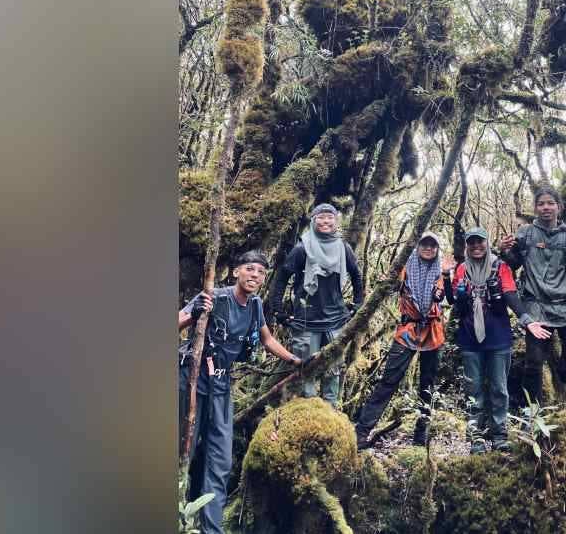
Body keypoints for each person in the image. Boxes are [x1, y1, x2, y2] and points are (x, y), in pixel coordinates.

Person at [178, 250, 300, 534]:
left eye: (260, 272)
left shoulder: (255, 305)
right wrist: (195, 313)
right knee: (183, 450)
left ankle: (211, 529)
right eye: (249, 269)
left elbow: (267, 339)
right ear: (236, 272)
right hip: (191, 381)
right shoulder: (213, 297)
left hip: (221, 386)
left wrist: (295, 360)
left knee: (220, 460)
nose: (254, 275)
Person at [497, 186, 566, 426]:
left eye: (551, 203)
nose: (546, 207)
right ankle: (532, 414)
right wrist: (505, 251)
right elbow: (515, 263)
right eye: (541, 204)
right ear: (535, 208)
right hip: (537, 305)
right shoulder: (526, 233)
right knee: (534, 361)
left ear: (559, 207)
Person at [446, 226, 547, 453]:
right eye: (471, 243)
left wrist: (526, 319)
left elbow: (511, 294)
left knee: (499, 389)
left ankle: (500, 435)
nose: (476, 246)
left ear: (487, 242)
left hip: (498, 338)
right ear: (467, 246)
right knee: (473, 390)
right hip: (470, 338)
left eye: (480, 242)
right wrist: (457, 291)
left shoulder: (500, 267)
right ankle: (477, 438)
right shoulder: (462, 269)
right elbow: (456, 303)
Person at [354, 231, 452, 449]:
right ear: (417, 247)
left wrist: (443, 282)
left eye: (432, 245)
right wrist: (385, 283)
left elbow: (443, 295)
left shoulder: (442, 271)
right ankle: (361, 431)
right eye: (424, 244)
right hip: (408, 329)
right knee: (388, 380)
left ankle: (420, 436)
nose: (428, 248)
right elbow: (390, 285)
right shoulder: (405, 267)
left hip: (433, 331)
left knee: (428, 384)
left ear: (437, 249)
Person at [268, 203, 364, 407]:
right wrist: (278, 311)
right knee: (305, 371)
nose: (326, 221)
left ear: (336, 221)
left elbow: (356, 276)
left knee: (334, 370)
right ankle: (308, 413)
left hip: (336, 321)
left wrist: (357, 304)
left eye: (330, 217)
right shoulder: (302, 248)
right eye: (321, 217)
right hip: (305, 322)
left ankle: (331, 412)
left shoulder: (343, 248)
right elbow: (281, 278)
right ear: (313, 221)